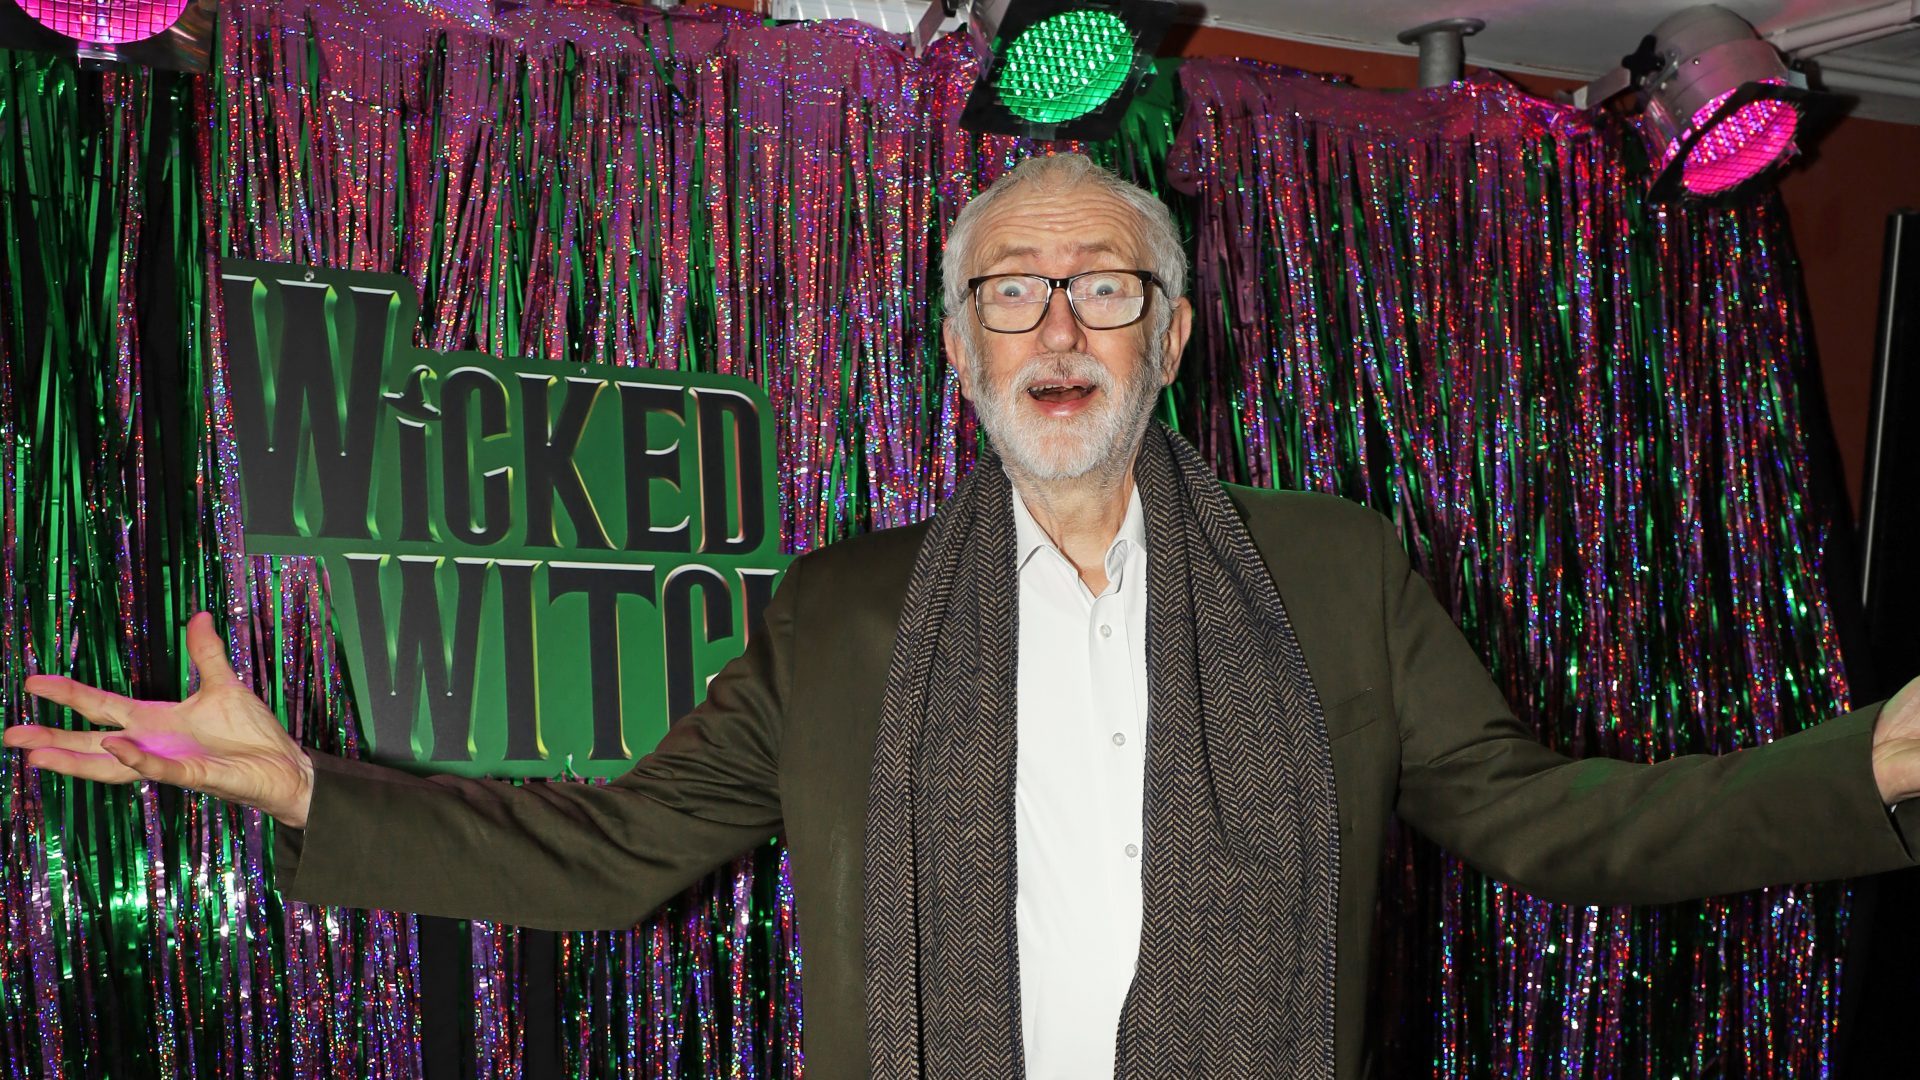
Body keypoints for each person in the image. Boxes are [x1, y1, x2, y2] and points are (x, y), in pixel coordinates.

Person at [7, 153, 1920, 1080]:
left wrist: (1872, 770)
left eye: (1104, 287)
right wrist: (300, 791)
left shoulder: (1335, 578)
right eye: (1011, 293)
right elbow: (605, 856)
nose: (1059, 326)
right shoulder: (842, 623)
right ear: (955, 349)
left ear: (1174, 335)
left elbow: (1558, 823)